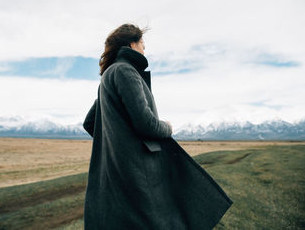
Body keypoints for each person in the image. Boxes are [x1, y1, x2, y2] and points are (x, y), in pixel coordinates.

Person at [83, 23, 233, 230]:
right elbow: (147, 125)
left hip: (119, 172)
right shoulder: (126, 71)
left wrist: (118, 145)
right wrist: (168, 127)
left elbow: (90, 123)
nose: (145, 48)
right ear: (132, 43)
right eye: (143, 43)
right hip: (138, 172)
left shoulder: (109, 75)